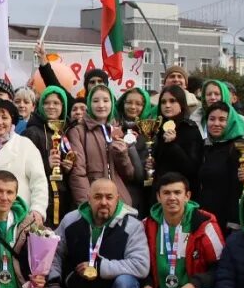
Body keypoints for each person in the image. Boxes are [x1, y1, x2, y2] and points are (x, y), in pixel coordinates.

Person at [67, 85, 140, 213]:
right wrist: (86, 205)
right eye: (96, 101)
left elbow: (128, 175)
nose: (101, 105)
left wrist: (122, 155)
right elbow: (78, 173)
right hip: (93, 203)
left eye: (106, 100)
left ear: (112, 103)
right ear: (89, 104)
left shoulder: (117, 130)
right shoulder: (78, 131)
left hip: (120, 202)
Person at [0, 98, 49, 221]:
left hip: (21, 216)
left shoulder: (25, 144)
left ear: (12, 120)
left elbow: (39, 181)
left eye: (4, 118)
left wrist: (38, 209)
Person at [21, 85, 75, 220]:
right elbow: (23, 167)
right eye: (46, 103)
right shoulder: (31, 132)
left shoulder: (66, 131)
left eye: (56, 103)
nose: (51, 106)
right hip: (42, 197)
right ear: (40, 106)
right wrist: (46, 164)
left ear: (63, 106)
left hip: (64, 196)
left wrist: (67, 167)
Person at [196, 102, 244, 230]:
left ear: (231, 122)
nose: (216, 124)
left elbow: (236, 188)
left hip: (226, 220)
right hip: (204, 216)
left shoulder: (238, 149)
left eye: (222, 120)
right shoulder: (205, 147)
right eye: (212, 119)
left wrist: (233, 222)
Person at [149, 86, 203, 194]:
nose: (167, 105)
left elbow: (192, 168)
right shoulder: (158, 129)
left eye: (172, 101)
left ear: (181, 104)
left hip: (183, 193)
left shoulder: (190, 129)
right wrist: (151, 163)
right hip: (160, 191)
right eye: (163, 102)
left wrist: (173, 144)